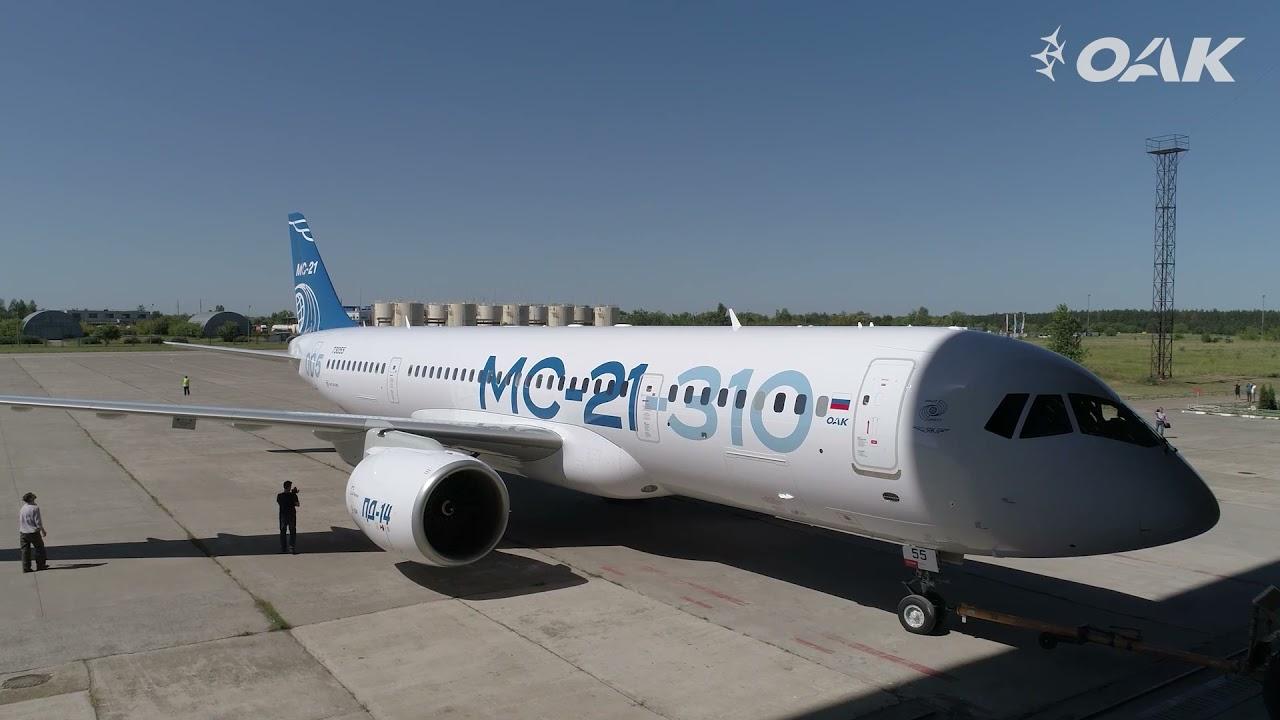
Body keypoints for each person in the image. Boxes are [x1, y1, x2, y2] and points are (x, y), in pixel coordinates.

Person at [19, 492, 47, 573]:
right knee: (39, 549)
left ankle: (26, 567)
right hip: (33, 532)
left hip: (23, 532)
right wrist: (42, 530)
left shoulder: (23, 508)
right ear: (30, 498)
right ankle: (40, 565)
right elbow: (38, 522)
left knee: (25, 551)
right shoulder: (35, 508)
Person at [277, 481, 300, 554]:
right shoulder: (293, 495)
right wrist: (293, 494)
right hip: (291, 515)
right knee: (292, 531)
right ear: (289, 487)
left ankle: (283, 548)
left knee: (283, 532)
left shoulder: (279, 496)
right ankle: (291, 547)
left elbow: (280, 503)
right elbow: (297, 504)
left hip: (283, 516)